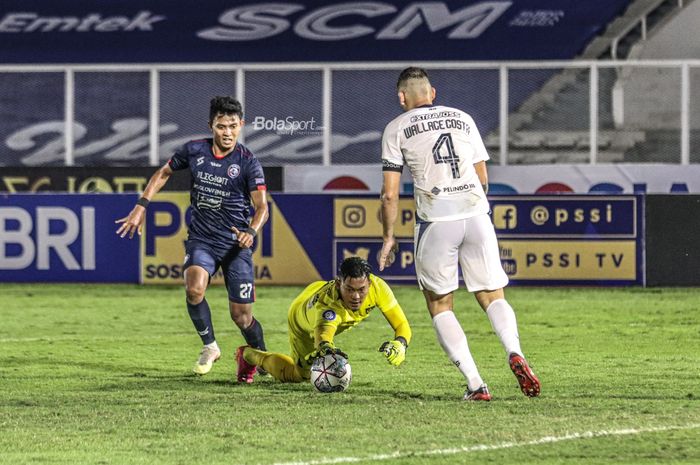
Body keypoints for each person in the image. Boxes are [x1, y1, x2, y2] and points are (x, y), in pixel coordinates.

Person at [378, 67, 540, 401]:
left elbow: (389, 194)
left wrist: (388, 236)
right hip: (476, 214)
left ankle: (476, 384)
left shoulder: (397, 128)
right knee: (492, 294)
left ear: (401, 97)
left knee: (440, 303)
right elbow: (483, 176)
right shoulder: (463, 118)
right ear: (432, 93)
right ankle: (514, 351)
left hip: (437, 219)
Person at [116, 96, 269, 382]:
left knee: (242, 317)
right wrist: (141, 206)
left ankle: (261, 354)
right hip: (202, 239)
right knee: (194, 289)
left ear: (241, 125)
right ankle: (210, 346)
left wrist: (251, 231)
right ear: (211, 125)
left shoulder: (248, 161)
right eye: (221, 126)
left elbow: (262, 207)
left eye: (233, 126)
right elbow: (163, 173)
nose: (227, 133)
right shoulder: (194, 151)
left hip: (236, 246)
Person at [236, 256, 412, 383]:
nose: (356, 296)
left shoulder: (378, 287)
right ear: (338, 284)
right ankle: (249, 355)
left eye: (362, 289)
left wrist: (401, 344)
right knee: (300, 376)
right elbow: (323, 334)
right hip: (302, 319)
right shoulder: (328, 307)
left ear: (370, 284)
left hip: (315, 288)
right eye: (349, 290)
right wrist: (326, 349)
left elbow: (402, 324)